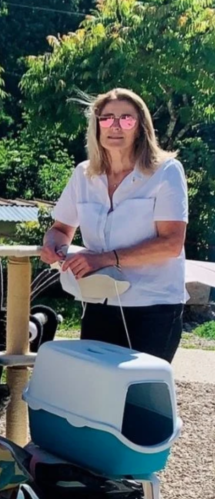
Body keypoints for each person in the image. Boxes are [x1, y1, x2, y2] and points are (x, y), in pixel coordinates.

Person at [41, 87, 189, 363]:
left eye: (127, 119)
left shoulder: (166, 172)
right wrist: (52, 246)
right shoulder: (83, 174)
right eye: (107, 118)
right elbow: (61, 229)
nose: (116, 126)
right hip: (98, 301)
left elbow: (171, 244)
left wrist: (104, 259)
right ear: (96, 126)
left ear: (141, 126)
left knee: (139, 398)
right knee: (96, 395)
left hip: (154, 306)